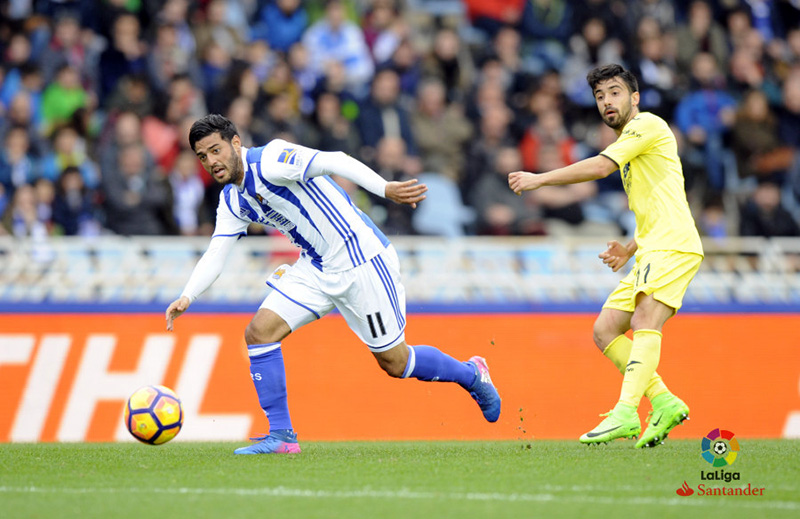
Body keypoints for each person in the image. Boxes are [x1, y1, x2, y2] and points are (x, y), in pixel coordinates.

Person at [166, 114, 501, 454]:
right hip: (315, 267)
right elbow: (217, 251)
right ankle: (281, 436)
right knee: (258, 333)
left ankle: (471, 374)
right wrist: (187, 295)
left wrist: (385, 189)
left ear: (235, 142)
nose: (211, 161)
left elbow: (334, 161)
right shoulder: (232, 200)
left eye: (216, 150)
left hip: (360, 259)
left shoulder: (271, 160)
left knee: (395, 363)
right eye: (203, 156)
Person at [508, 64, 703, 448]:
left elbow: (599, 167)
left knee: (647, 316)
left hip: (673, 245)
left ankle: (626, 411)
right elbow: (662, 201)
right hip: (653, 245)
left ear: (634, 98)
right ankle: (663, 401)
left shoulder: (647, 125)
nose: (607, 101)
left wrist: (539, 178)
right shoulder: (633, 152)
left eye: (615, 92)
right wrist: (629, 247)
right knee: (605, 329)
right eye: (600, 96)